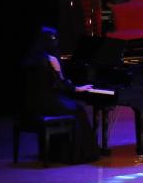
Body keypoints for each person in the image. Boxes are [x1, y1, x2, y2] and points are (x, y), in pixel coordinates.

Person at [21, 26, 99, 163]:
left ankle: (55, 153)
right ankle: (80, 154)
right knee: (78, 110)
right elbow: (61, 83)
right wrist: (77, 89)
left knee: (71, 106)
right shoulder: (52, 59)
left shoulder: (32, 58)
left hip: (31, 103)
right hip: (48, 101)